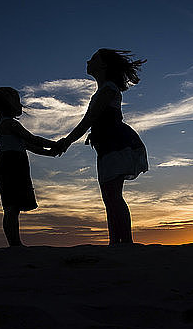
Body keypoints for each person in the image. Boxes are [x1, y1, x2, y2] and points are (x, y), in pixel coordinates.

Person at [53, 49, 148, 245]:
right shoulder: (104, 90)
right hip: (108, 145)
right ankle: (116, 241)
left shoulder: (108, 89)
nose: (88, 60)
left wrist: (67, 141)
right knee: (110, 196)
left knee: (113, 196)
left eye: (94, 58)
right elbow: (99, 121)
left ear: (103, 65)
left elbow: (90, 118)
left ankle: (124, 242)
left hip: (117, 144)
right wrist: (94, 134)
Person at [0, 87, 57, 247]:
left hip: (16, 166)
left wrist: (52, 152)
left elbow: (31, 146)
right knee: (11, 208)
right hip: (9, 166)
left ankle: (15, 242)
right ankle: (14, 243)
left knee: (13, 208)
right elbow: (32, 139)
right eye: (17, 101)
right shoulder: (9, 124)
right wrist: (56, 144)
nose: (20, 105)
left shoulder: (10, 126)